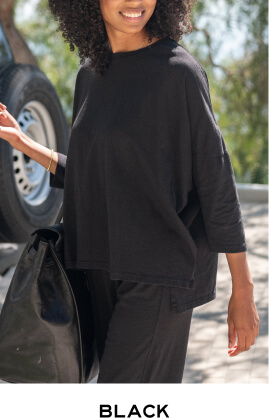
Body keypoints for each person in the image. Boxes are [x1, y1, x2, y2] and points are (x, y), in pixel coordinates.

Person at [0, 0, 259, 383]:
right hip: (101, 268)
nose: (135, 2)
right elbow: (99, 176)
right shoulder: (90, 74)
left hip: (161, 274)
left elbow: (217, 183)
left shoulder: (181, 74)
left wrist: (243, 288)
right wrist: (25, 144)